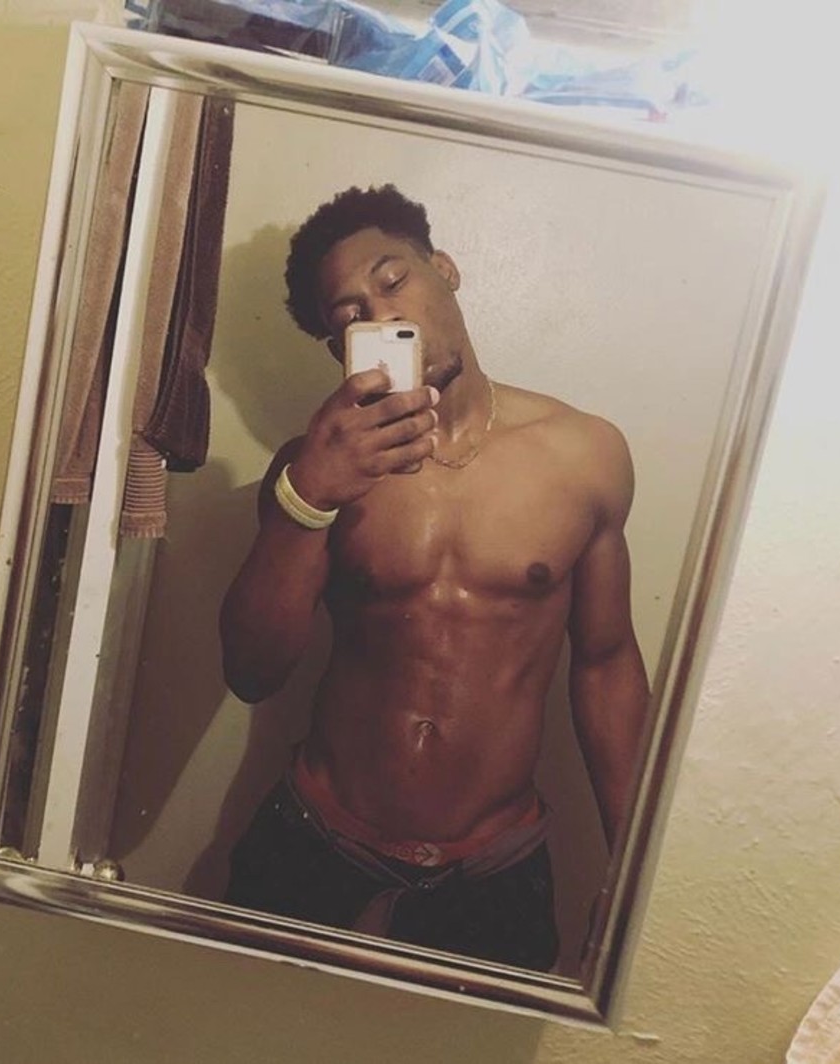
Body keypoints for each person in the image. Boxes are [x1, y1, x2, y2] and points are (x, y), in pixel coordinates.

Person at [218, 184, 649, 971]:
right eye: (352, 314)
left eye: (393, 279)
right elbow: (252, 672)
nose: (385, 314)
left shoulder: (584, 455)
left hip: (495, 865)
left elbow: (606, 662)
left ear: (444, 269)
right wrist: (306, 499)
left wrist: (639, 866)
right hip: (317, 839)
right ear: (339, 348)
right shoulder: (313, 468)